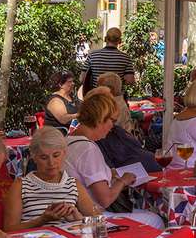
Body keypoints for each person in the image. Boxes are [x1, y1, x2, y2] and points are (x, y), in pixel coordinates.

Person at [64, 92, 163, 227]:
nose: (112, 127)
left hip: (77, 215)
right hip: (95, 218)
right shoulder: (88, 149)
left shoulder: (67, 141)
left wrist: (110, 174)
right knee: (156, 220)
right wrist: (123, 180)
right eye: (113, 121)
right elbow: (105, 199)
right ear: (100, 118)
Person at [3, 127, 96, 231]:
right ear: (33, 157)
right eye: (44, 157)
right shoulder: (21, 186)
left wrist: (79, 219)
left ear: (64, 154)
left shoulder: (73, 184)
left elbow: (98, 220)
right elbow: (9, 229)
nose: (51, 163)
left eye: (56, 155)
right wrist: (42, 220)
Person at [82, 28, 136, 92]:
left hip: (97, 96)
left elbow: (82, 78)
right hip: (116, 98)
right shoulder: (125, 58)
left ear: (105, 39)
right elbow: (130, 81)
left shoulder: (92, 55)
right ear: (120, 41)